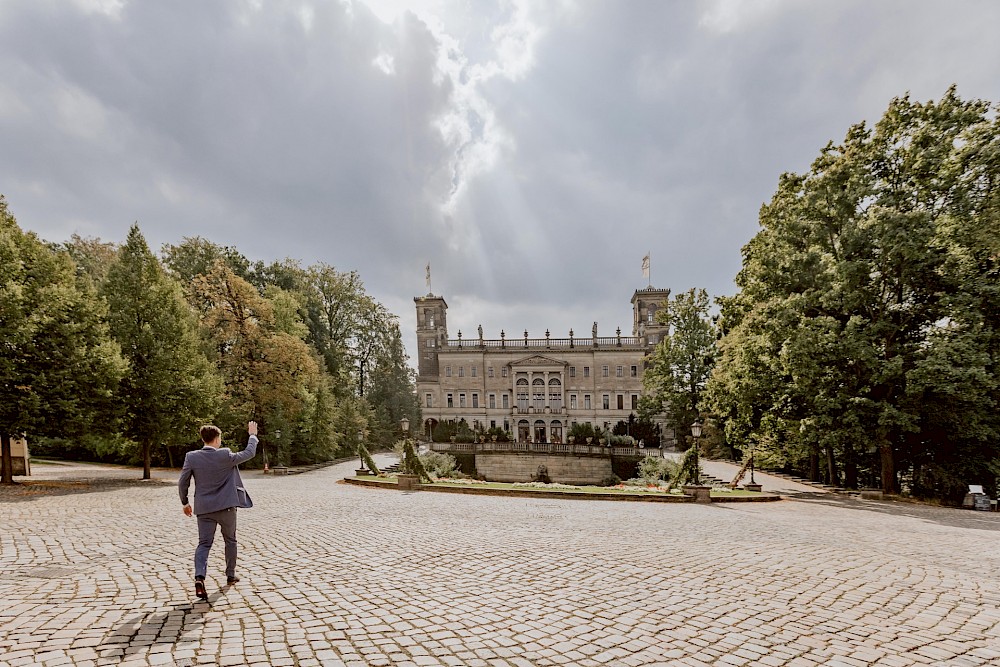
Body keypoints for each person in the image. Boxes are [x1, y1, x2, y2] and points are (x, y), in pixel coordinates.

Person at [178, 421, 258, 601]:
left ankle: (200, 577)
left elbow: (183, 481)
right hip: (226, 507)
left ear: (203, 439)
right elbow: (249, 453)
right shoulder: (225, 455)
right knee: (230, 540)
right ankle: (230, 574)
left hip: (204, 509)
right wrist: (252, 435)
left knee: (204, 544)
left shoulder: (191, 457)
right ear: (217, 439)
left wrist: (185, 502)